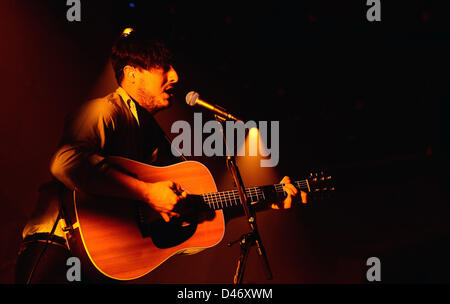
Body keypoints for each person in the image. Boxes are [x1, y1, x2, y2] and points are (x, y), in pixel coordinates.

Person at [15, 29, 306, 284]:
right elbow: (65, 161)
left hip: (105, 266)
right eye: (163, 67)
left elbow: (193, 209)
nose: (176, 76)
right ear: (131, 73)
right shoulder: (104, 111)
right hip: (57, 250)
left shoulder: (153, 137)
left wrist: (264, 199)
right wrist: (147, 192)